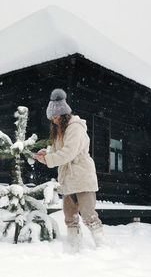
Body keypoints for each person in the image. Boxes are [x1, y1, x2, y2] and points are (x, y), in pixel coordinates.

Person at [34, 88, 104, 251]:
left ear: (64, 115)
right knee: (69, 216)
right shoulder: (60, 130)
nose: (54, 121)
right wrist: (47, 152)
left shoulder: (75, 127)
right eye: (52, 118)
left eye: (56, 117)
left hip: (81, 176)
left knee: (88, 214)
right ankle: (74, 246)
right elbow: (59, 149)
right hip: (67, 178)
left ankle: (101, 246)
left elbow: (69, 152)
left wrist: (49, 159)